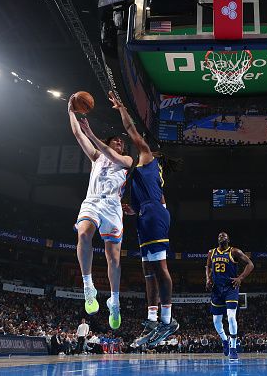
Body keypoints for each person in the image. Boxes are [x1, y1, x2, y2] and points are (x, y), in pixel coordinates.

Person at [107, 91, 178, 347]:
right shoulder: (145, 175)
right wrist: (134, 211)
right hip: (147, 214)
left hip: (154, 215)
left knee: (160, 269)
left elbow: (130, 128)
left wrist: (122, 107)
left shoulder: (146, 157)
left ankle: (168, 320)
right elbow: (154, 199)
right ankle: (153, 319)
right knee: (148, 271)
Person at [68, 95, 133, 330]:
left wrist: (93, 134)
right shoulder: (96, 158)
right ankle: (88, 286)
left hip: (113, 207)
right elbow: (77, 135)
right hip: (93, 201)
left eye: (121, 143)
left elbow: (114, 155)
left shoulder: (126, 160)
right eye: (116, 142)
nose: (119, 144)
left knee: (113, 259)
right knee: (84, 233)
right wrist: (71, 111)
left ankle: (114, 301)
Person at [205, 232, 254, 361]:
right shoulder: (211, 252)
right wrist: (208, 279)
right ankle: (224, 340)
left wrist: (240, 278)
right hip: (216, 289)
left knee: (231, 317)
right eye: (220, 235)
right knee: (216, 321)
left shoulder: (234, 251)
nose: (222, 236)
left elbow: (250, 264)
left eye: (224, 236)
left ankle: (233, 348)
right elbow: (208, 266)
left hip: (231, 287)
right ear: (217, 239)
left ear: (228, 239)